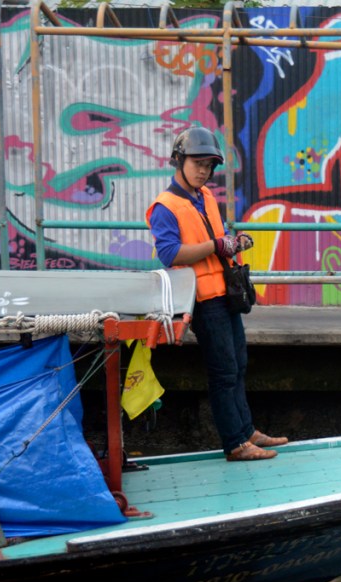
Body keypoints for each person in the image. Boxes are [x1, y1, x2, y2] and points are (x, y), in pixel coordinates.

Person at [146, 126, 288, 461]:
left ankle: (246, 430)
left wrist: (233, 244)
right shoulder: (165, 206)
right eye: (197, 163)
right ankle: (235, 443)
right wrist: (216, 245)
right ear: (178, 160)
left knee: (238, 365)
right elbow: (169, 253)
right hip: (202, 300)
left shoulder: (205, 197)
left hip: (224, 293)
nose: (203, 171)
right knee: (223, 371)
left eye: (209, 165)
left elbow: (218, 237)